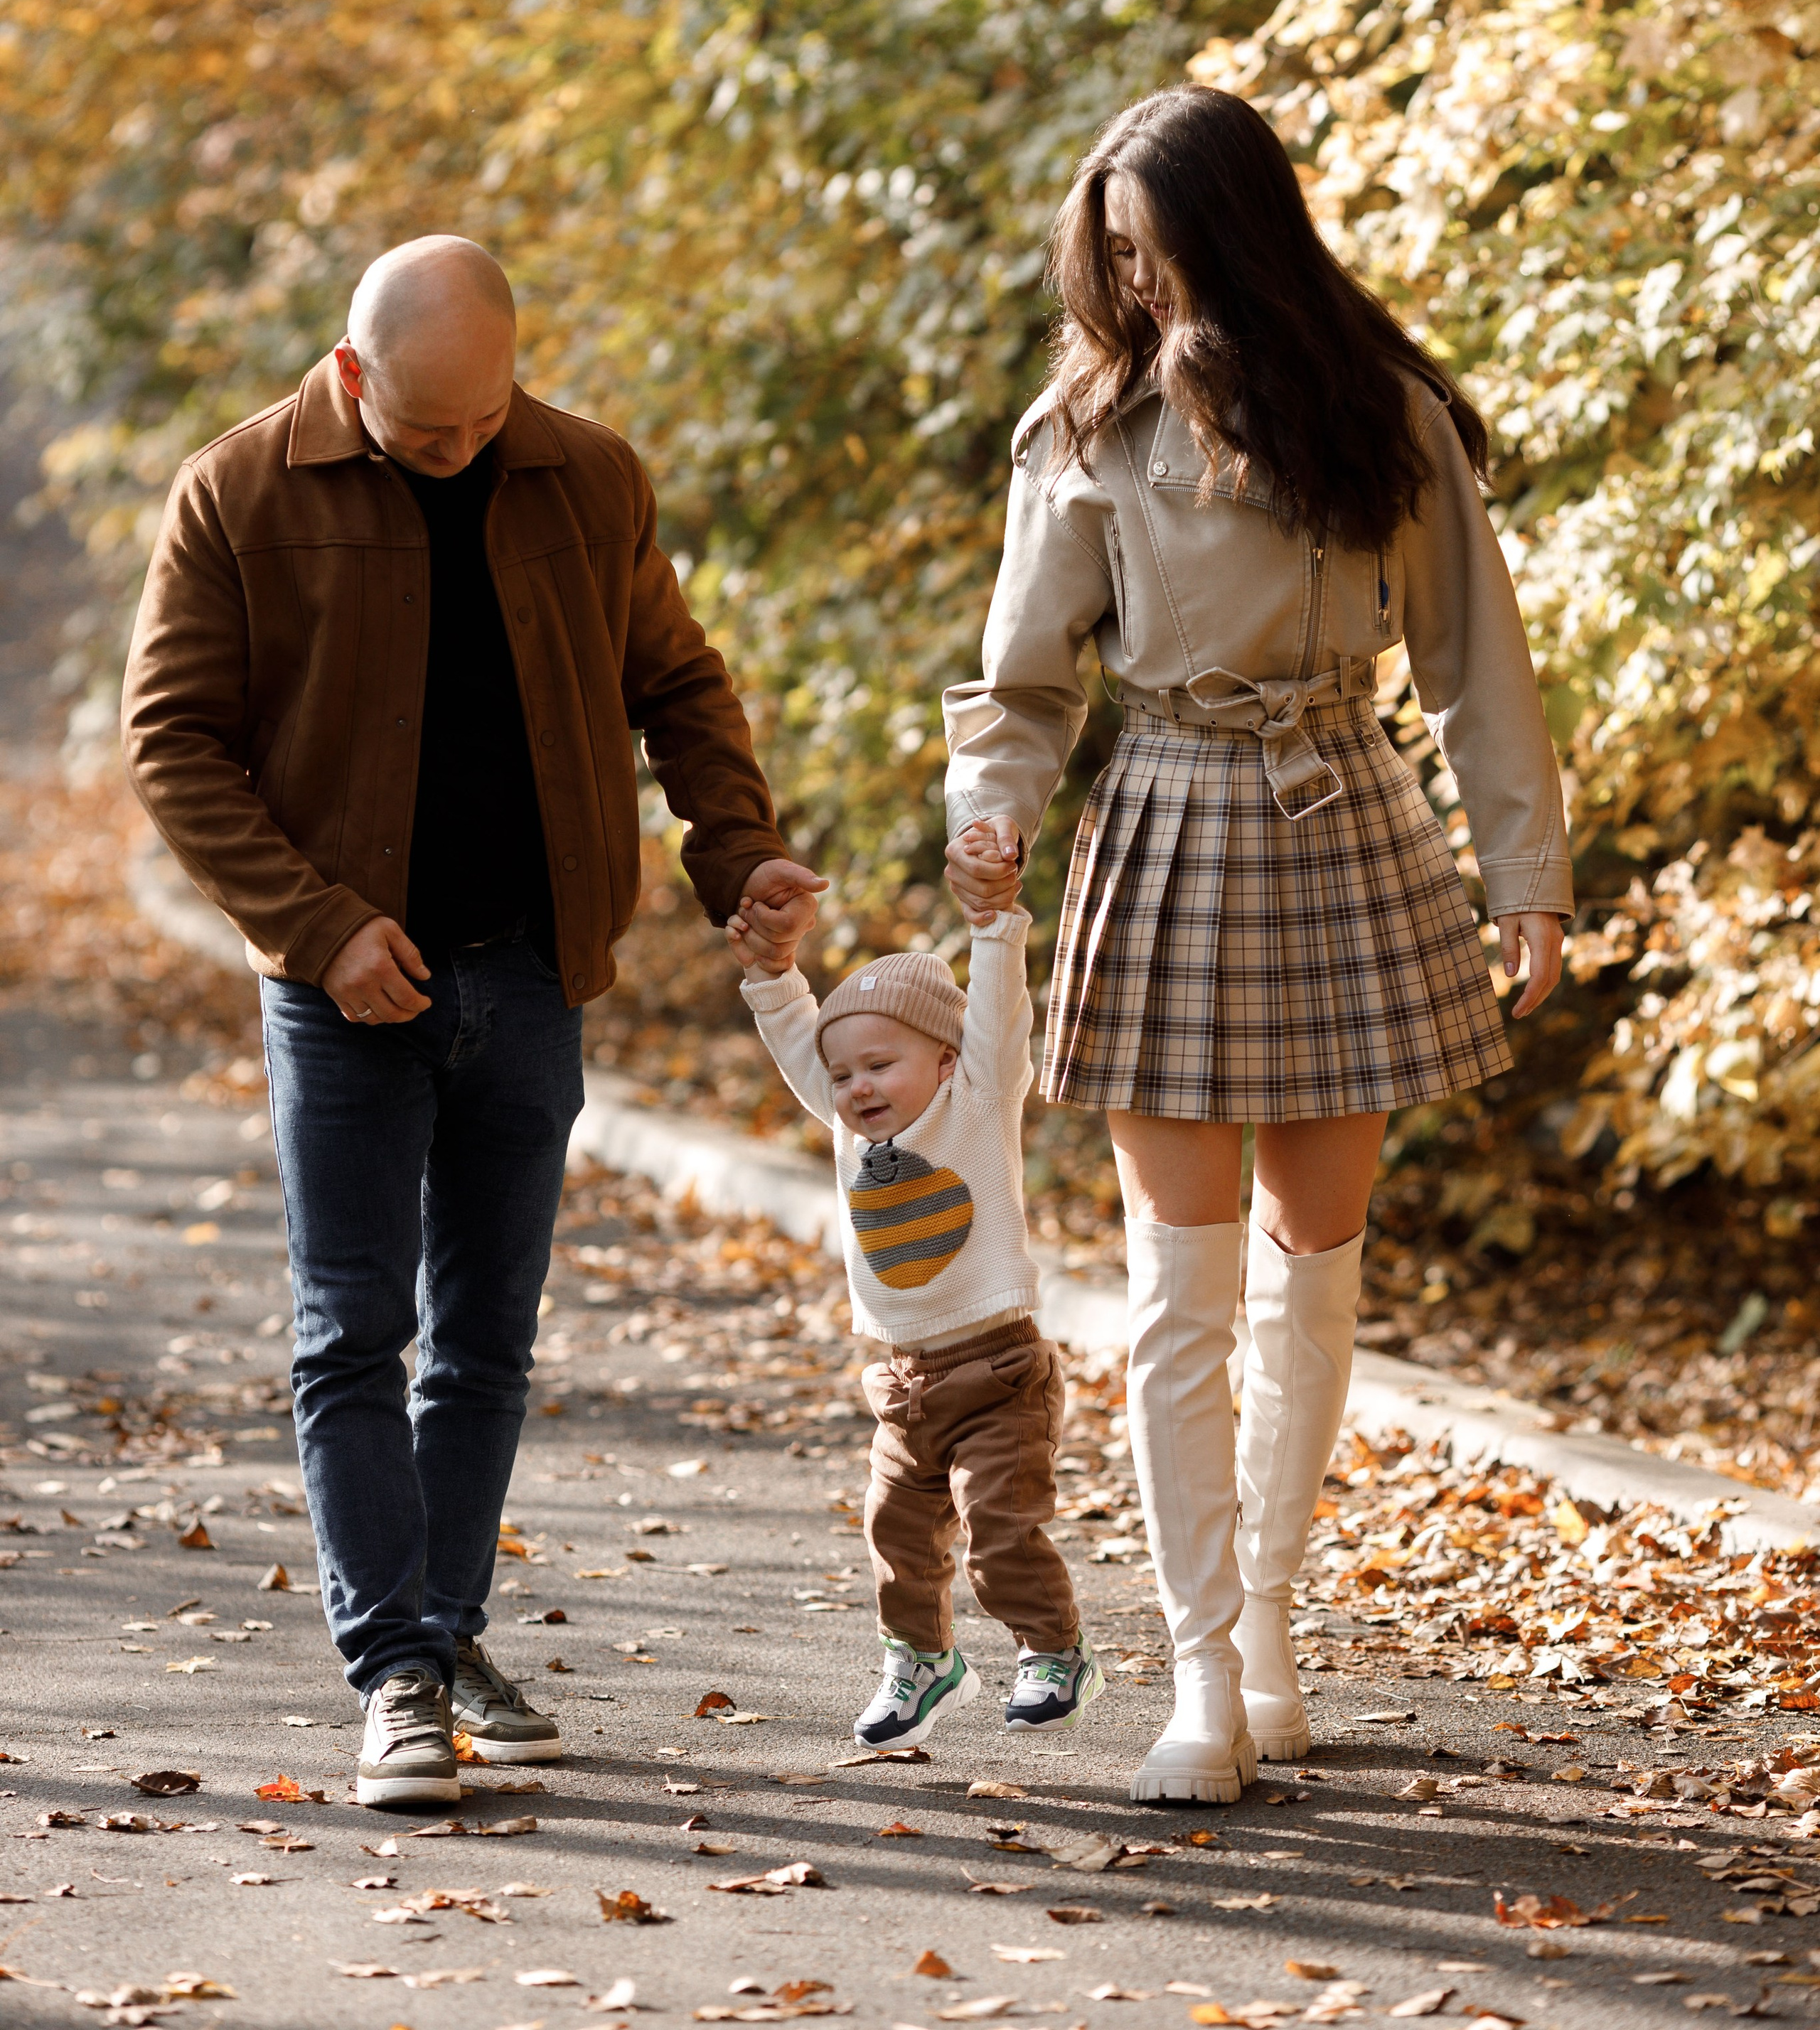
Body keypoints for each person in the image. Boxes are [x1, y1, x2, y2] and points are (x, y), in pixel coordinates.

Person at [121, 235, 823, 1808]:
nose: (459, 451)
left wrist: (737, 851)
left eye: (482, 421)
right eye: (428, 430)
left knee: (486, 1346)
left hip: (526, 972)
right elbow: (173, 746)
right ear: (353, 372)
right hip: (342, 988)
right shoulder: (237, 492)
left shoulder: (582, 474)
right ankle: (394, 1672)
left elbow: (678, 685)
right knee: (350, 1335)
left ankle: (440, 1635)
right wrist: (318, 929)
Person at [942, 87, 1570, 1805]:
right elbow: (1020, 678)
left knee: (1316, 1257)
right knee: (1175, 1276)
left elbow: (1475, 657)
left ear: (1241, 238)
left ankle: (1276, 1630)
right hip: (1164, 811)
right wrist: (984, 812)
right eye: (1115, 263)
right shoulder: (1081, 432)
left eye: (1160, 254)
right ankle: (1200, 1672)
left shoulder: (1383, 419)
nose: (1136, 292)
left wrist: (1525, 871)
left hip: (1347, 814)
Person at [729, 825, 1103, 1751]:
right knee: (896, 1537)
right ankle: (922, 1660)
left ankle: (1055, 1649)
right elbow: (791, 1039)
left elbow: (999, 1017)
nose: (857, 1087)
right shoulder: (853, 1127)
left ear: (943, 1058)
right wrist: (776, 969)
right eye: (844, 1072)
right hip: (902, 1382)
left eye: (879, 1064)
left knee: (1001, 1530)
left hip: (999, 1372)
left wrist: (994, 920)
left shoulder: (976, 1096)